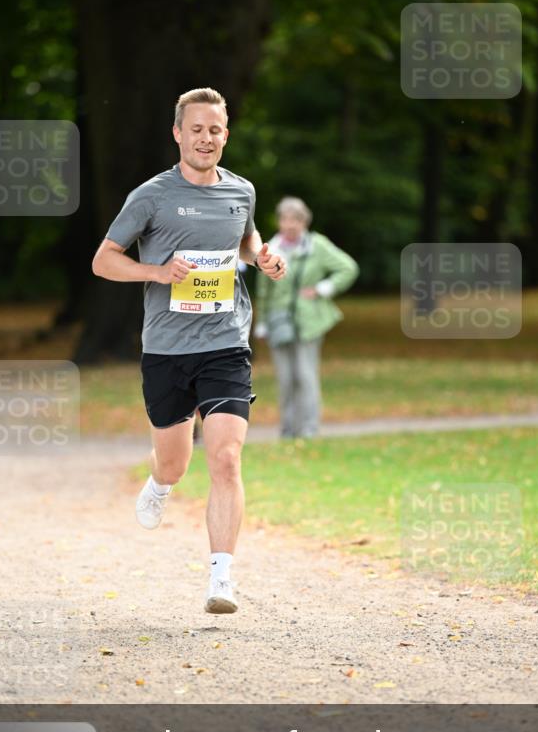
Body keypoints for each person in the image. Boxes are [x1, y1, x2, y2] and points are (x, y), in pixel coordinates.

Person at [92, 87, 286, 615]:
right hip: (167, 349)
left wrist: (261, 256)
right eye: (196, 128)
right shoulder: (151, 195)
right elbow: (103, 260)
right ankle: (159, 482)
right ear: (178, 133)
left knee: (225, 457)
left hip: (226, 340)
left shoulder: (241, 191)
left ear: (227, 134)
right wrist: (155, 271)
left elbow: (244, 240)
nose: (206, 138)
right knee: (177, 463)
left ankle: (222, 578)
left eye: (215, 129)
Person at [254, 197, 358, 438]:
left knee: (306, 376)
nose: (290, 225)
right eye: (285, 219)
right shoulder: (270, 249)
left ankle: (310, 431)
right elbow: (263, 288)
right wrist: (261, 323)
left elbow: (348, 268)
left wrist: (323, 288)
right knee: (286, 379)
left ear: (305, 222)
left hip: (309, 322)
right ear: (279, 221)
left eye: (296, 220)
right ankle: (288, 431)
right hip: (279, 321)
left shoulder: (317, 245)